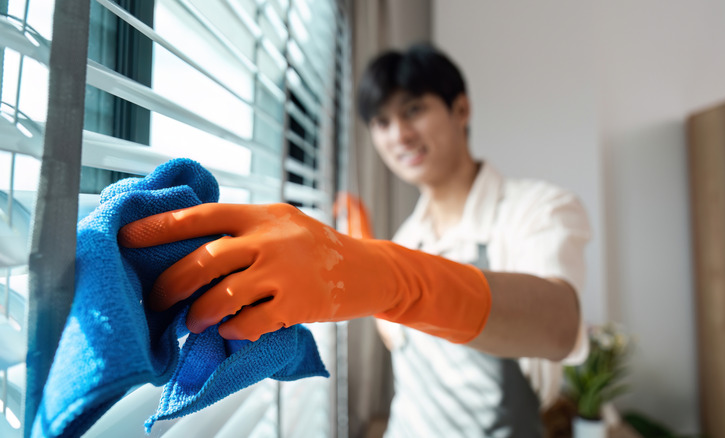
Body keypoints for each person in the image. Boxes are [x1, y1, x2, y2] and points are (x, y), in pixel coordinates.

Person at [119, 43, 591, 437]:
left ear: (461, 109)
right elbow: (406, 341)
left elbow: (557, 324)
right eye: (382, 122)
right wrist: (364, 256)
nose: (399, 134)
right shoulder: (409, 236)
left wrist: (391, 276)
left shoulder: (538, 209)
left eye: (414, 110)